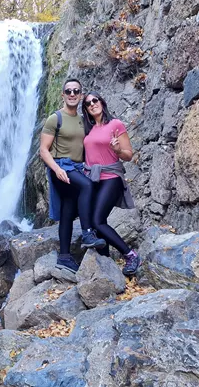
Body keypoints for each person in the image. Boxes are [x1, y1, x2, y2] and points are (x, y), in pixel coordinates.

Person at [39, 79, 105, 277]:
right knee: (86, 186)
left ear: (80, 95)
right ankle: (87, 233)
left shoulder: (82, 119)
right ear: (63, 94)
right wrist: (57, 169)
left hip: (77, 167)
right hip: (61, 166)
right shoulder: (55, 118)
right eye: (68, 90)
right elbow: (43, 150)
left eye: (76, 91)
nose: (72, 94)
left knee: (68, 208)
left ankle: (64, 256)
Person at [81, 91, 140, 276]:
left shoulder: (115, 124)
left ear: (102, 102)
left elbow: (129, 155)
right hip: (93, 178)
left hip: (111, 177)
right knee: (95, 222)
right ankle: (106, 265)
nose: (92, 104)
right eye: (88, 103)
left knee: (97, 222)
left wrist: (117, 150)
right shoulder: (88, 129)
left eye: (95, 100)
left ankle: (131, 255)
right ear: (86, 109)